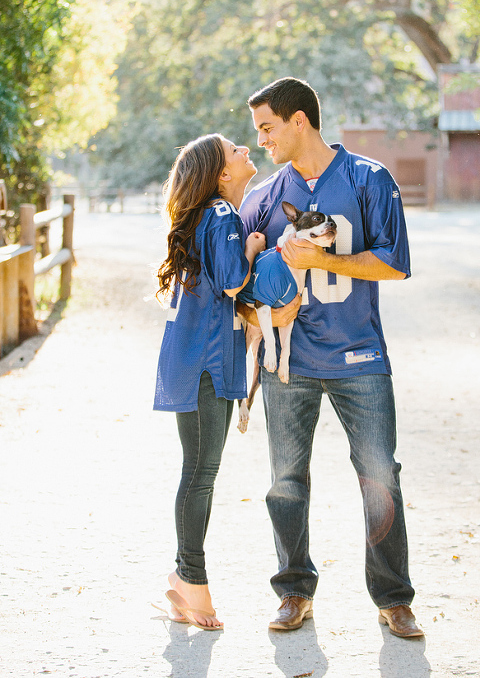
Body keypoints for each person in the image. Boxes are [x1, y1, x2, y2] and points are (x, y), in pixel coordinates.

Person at [236, 77, 422, 638]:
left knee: (380, 476)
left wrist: (317, 257)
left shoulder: (369, 179)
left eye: (268, 127)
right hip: (286, 363)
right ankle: (294, 591)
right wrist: (261, 311)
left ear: (299, 121)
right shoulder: (264, 198)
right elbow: (237, 288)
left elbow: (395, 264)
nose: (263, 140)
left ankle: (394, 599)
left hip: (359, 356)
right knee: (285, 481)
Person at [154, 134, 265, 630]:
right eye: (237, 150)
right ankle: (190, 583)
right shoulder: (221, 216)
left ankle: (185, 580)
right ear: (222, 174)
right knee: (200, 473)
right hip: (205, 365)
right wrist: (256, 246)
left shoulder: (208, 216)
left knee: (197, 471)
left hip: (194, 360)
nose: (247, 151)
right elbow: (230, 280)